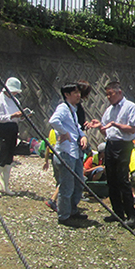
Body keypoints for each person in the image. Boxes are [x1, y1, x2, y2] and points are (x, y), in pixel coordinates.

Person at [100, 81, 135, 227]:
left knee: (123, 178)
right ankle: (117, 212)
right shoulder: (109, 110)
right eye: (107, 95)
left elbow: (132, 129)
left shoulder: (130, 107)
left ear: (119, 92)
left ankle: (131, 214)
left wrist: (116, 124)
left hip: (124, 145)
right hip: (110, 144)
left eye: (111, 94)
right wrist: (99, 126)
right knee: (111, 179)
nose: (109, 97)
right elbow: (105, 130)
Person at [49, 83, 88, 227]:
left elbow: (76, 127)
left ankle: (72, 209)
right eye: (75, 93)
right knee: (67, 186)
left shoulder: (73, 109)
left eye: (78, 92)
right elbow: (53, 121)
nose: (78, 95)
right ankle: (64, 216)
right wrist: (63, 132)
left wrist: (83, 136)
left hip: (75, 152)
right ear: (67, 95)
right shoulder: (63, 108)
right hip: (66, 152)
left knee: (79, 182)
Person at [0, 77, 24, 196]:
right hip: (3, 129)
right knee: (2, 156)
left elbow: (16, 116)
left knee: (9, 157)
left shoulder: (15, 100)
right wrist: (12, 115)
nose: (14, 93)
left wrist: (21, 116)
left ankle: (5, 186)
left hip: (13, 128)